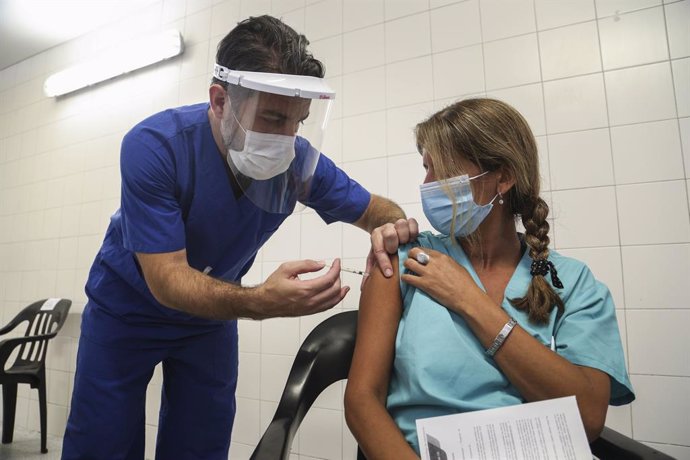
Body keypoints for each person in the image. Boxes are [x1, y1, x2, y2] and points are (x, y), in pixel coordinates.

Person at [62, 15, 417, 460]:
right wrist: (262, 302)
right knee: (102, 444)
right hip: (126, 314)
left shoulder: (296, 162)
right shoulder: (155, 147)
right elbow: (168, 280)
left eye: (298, 122)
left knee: (201, 446)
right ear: (219, 100)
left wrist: (390, 229)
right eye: (271, 118)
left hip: (209, 321)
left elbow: (377, 211)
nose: (286, 139)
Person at [344, 98, 634, 459]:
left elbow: (588, 417)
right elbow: (361, 400)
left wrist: (470, 300)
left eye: (442, 170)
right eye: (426, 168)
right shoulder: (403, 259)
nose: (427, 184)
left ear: (504, 177)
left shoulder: (572, 282)